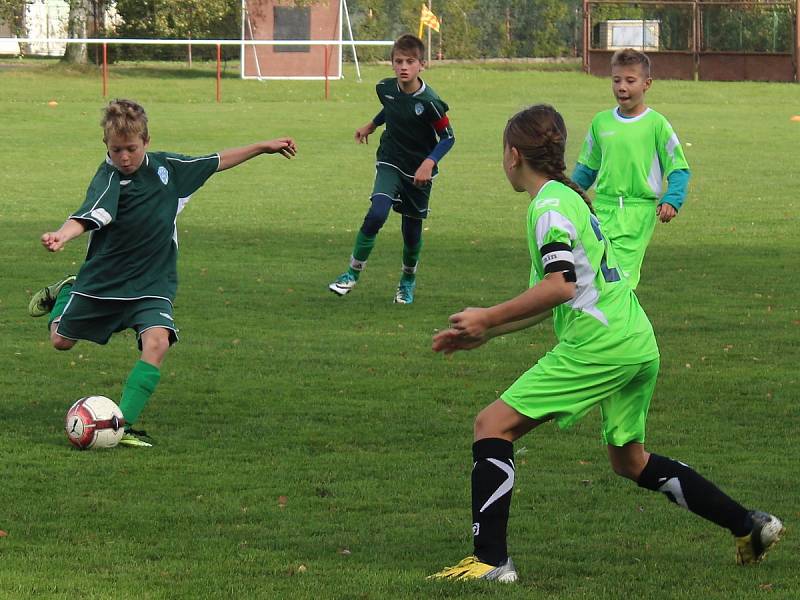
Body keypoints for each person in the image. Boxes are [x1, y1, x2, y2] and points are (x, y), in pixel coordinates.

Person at [428, 105, 782, 582]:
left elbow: (559, 286)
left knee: (491, 425)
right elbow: (554, 298)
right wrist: (487, 333)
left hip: (600, 347)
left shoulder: (549, 207)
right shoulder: (570, 198)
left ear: (513, 156)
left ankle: (491, 562)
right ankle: (748, 525)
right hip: (635, 339)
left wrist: (486, 315)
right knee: (630, 461)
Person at [28, 99, 297, 448]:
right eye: (116, 150)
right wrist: (62, 235)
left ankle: (120, 425)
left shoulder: (169, 169)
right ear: (106, 147)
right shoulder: (108, 178)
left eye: (131, 149)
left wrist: (263, 147)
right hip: (104, 281)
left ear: (146, 141)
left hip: (153, 283)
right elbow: (87, 215)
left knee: (158, 342)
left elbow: (216, 161)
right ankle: (66, 292)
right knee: (61, 341)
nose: (124, 157)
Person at [328, 34, 455, 304]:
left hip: (418, 172)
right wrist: (372, 125)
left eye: (410, 61)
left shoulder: (431, 102)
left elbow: (448, 138)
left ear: (422, 65)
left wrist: (429, 162)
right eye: (399, 61)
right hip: (390, 160)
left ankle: (407, 280)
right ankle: (351, 273)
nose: (404, 67)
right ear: (392, 64)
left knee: (411, 234)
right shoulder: (384, 88)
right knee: (377, 213)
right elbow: (391, 106)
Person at [572, 48, 690, 290]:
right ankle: (600, 324)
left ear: (647, 84)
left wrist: (673, 198)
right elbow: (586, 168)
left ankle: (626, 326)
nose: (621, 87)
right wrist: (567, 194)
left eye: (630, 81)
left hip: (637, 213)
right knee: (591, 276)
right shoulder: (600, 122)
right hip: (601, 209)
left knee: (619, 283)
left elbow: (678, 167)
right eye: (616, 80)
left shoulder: (656, 124)